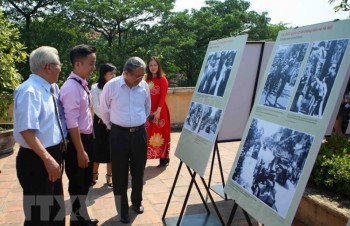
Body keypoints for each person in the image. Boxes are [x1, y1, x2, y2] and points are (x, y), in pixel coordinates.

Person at [14, 46, 66, 226]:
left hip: (50, 155)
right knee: (39, 216)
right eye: (58, 63)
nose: (61, 67)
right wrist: (47, 159)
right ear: (48, 67)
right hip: (37, 159)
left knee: (55, 212)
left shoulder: (49, 88)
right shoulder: (30, 91)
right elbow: (26, 130)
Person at [99, 57, 151, 224]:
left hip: (139, 134)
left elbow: (147, 107)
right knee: (119, 174)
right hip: (118, 135)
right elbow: (104, 110)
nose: (141, 79)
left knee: (138, 171)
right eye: (137, 75)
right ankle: (122, 210)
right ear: (126, 73)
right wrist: (113, 127)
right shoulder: (112, 86)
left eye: (142, 75)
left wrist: (138, 122)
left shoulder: (143, 86)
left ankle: (136, 202)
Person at [59, 44, 98, 226]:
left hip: (86, 139)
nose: (93, 67)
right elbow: (72, 124)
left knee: (84, 182)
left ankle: (81, 218)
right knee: (77, 182)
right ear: (77, 64)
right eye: (91, 63)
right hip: (78, 142)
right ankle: (78, 221)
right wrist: (81, 151)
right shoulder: (71, 88)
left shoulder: (81, 84)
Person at [91, 63, 116, 187]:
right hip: (100, 122)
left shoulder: (115, 87)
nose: (113, 75)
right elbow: (96, 107)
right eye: (111, 73)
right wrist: (107, 119)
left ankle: (109, 177)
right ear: (104, 74)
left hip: (113, 122)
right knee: (97, 149)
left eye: (114, 73)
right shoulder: (95, 87)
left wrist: (111, 120)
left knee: (111, 150)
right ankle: (94, 174)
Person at [145, 56, 171, 167]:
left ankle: (164, 158)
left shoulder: (163, 79)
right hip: (148, 111)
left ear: (158, 66)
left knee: (162, 134)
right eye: (151, 65)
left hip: (161, 111)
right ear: (148, 67)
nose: (153, 67)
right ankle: (145, 156)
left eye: (155, 65)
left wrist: (158, 111)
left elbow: (163, 96)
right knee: (147, 133)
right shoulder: (146, 80)